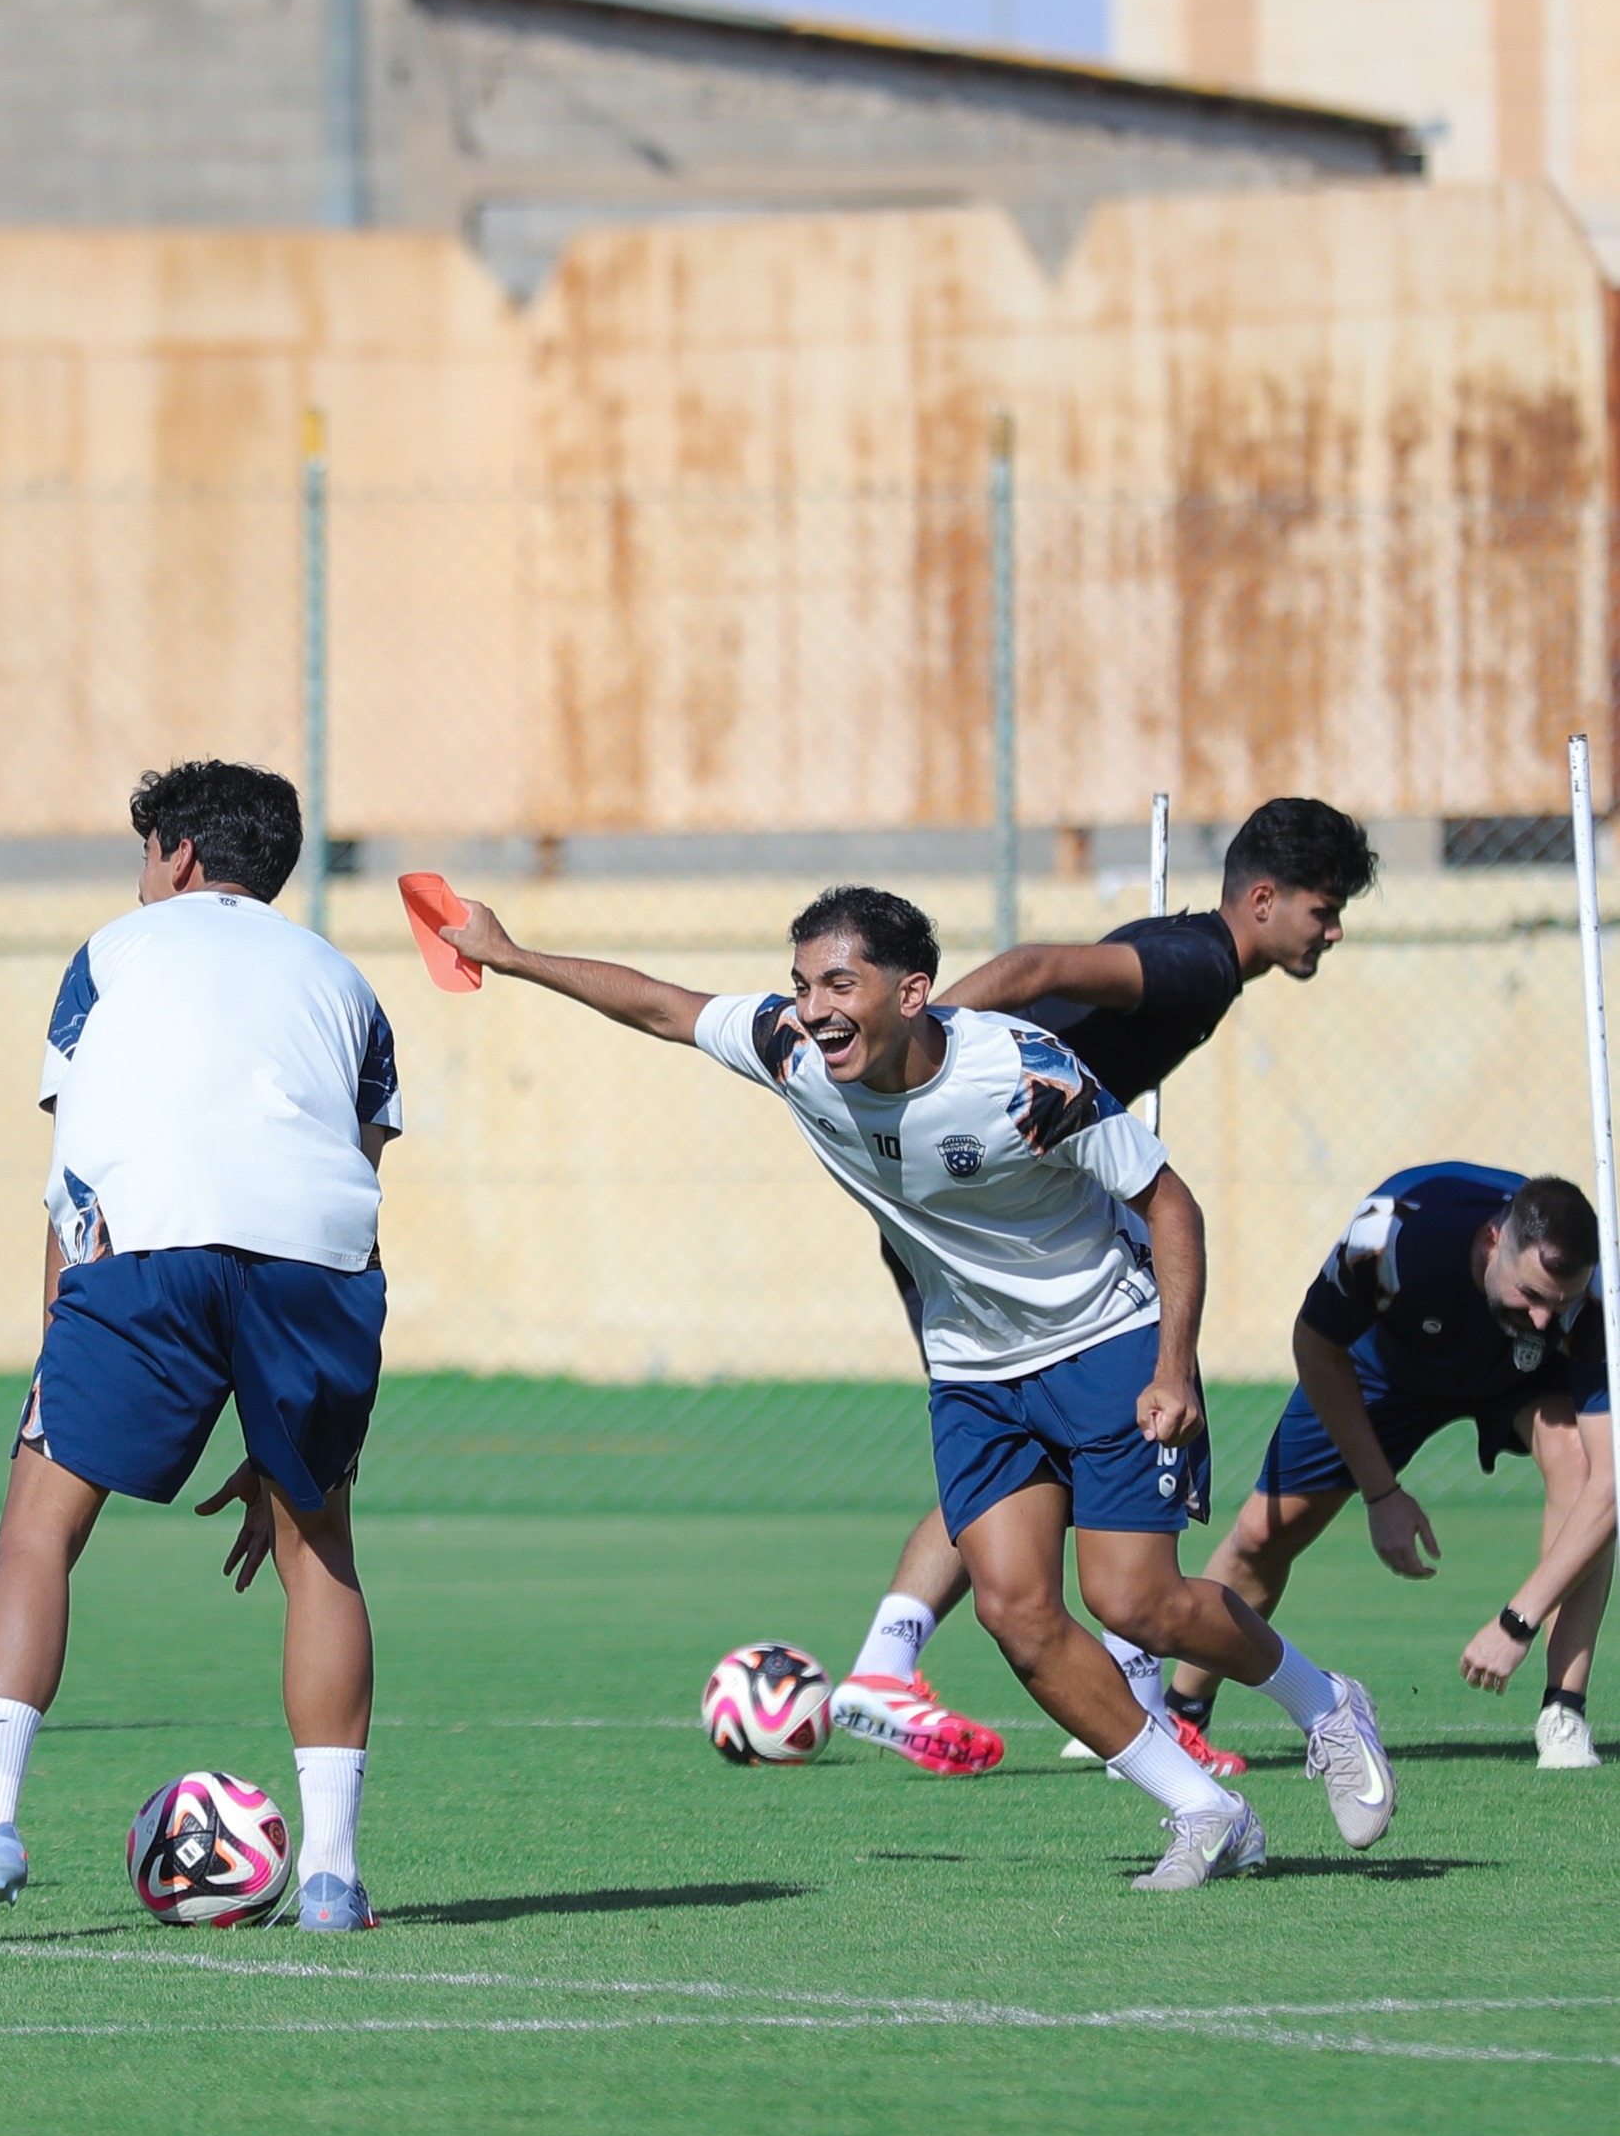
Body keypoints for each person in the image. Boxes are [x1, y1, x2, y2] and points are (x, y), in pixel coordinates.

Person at [433, 880, 1397, 1891]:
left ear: (912, 993)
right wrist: (512, 954)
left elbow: (1170, 1202)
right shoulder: (792, 1052)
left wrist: (1172, 1366)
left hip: (1106, 1335)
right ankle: (1204, 1810)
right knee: (1017, 1615)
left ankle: (1326, 1703)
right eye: (803, 983)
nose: (814, 1006)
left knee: (1137, 1602)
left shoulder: (1022, 1074)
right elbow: (659, 1005)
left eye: (840, 981)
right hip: (975, 1368)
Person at [0, 759, 400, 1942]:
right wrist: (289, 1430)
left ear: (179, 857)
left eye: (147, 853)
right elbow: (355, 1178)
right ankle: (335, 1879)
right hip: (322, 1264)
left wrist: (60, 1346)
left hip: (145, 1249)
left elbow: (77, 1170)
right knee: (322, 1550)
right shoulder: (346, 982)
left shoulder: (109, 954)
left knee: (39, 1528)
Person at [829, 798, 1379, 1780]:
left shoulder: (1202, 961)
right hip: (1007, 1210)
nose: (1331, 932)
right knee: (1144, 1409)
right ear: (1264, 899)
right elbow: (1041, 967)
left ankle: (891, 1660)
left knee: (1013, 1442)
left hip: (962, 1220)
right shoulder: (1198, 962)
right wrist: (959, 1059)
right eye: (1323, 910)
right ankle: (1146, 1704)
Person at [1164, 1164, 1616, 1770]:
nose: (1543, 1318)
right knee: (1262, 1533)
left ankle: (1564, 1710)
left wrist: (1517, 1622)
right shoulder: (1392, 1241)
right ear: (1492, 1242)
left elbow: (1610, 1487)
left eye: (1557, 1305)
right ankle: (1178, 1714)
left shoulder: (1593, 1299)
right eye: (1531, 1295)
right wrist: (1381, 1495)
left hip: (1525, 1378)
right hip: (1385, 1371)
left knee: (1579, 1465)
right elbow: (1315, 1344)